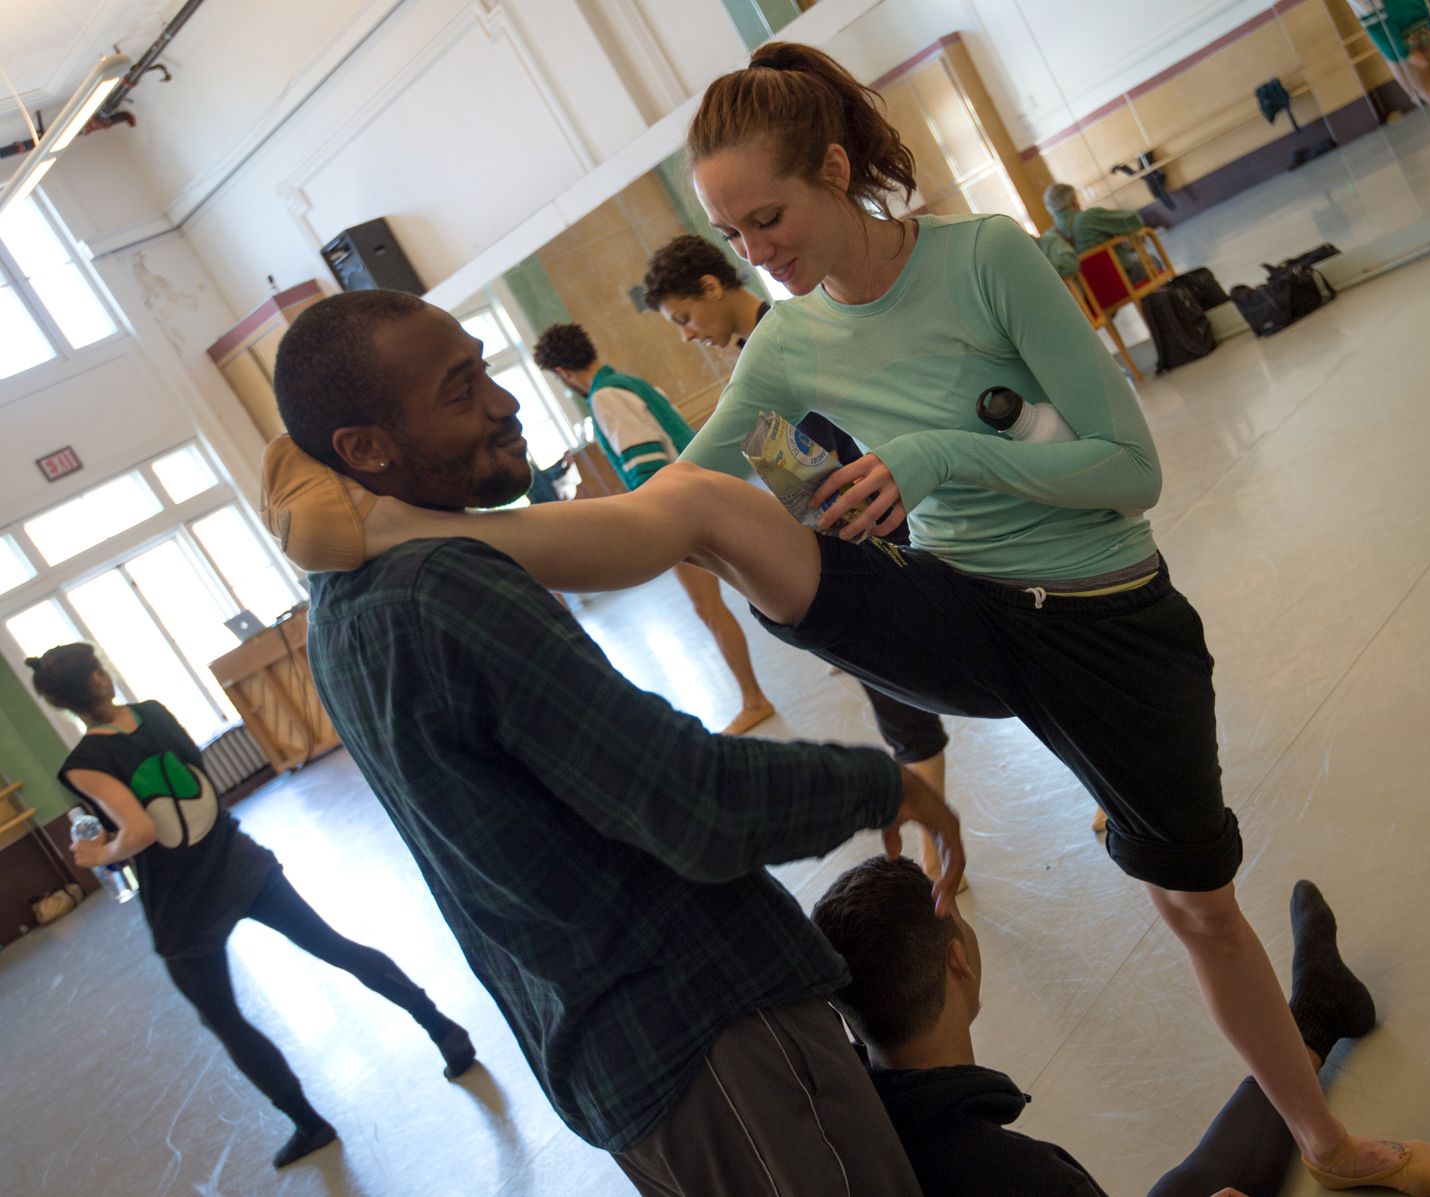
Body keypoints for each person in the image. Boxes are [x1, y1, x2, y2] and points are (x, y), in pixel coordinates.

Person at [257, 40, 1430, 1189]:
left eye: (767, 218)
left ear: (833, 171)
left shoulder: (988, 259)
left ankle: (1323, 1141)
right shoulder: (783, 343)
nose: (756, 255)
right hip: (957, 615)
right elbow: (660, 514)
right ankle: (1328, 1142)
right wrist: (400, 527)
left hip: (1107, 622)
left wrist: (938, 457)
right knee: (710, 502)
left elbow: (1127, 472)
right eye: (731, 235)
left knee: (1195, 905)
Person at [269, 287, 965, 1196]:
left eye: (485, 368)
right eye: (458, 389)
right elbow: (690, 800)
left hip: (615, 1056)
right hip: (705, 1026)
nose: (503, 401)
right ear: (363, 449)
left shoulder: (341, 606)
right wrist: (882, 785)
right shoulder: (446, 586)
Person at [28, 643, 476, 1170]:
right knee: (334, 946)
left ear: (64, 705)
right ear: (101, 678)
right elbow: (188, 783)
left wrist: (98, 851)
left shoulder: (84, 764)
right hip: (239, 861)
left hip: (184, 901)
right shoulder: (153, 711)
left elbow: (141, 829)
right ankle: (444, 1030)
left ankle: (309, 1124)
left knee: (223, 1017)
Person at [810, 858, 1430, 1197]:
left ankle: (1316, 1011)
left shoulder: (836, 1114)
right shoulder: (1014, 1176)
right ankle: (1315, 1010)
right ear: (958, 958)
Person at [642, 232, 958, 879]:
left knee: (962, 686)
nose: (684, 334)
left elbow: (839, 470)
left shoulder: (785, 343)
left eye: (683, 317)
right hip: (868, 546)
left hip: (901, 537)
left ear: (711, 285)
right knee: (905, 705)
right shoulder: (760, 360)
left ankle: (937, 857)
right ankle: (935, 853)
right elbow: (811, 487)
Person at [532, 321, 776, 736]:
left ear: (561, 373)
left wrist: (649, 525)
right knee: (760, 584)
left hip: (681, 512)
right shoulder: (629, 382)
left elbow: (646, 468)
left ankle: (754, 700)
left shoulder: (605, 398)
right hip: (705, 497)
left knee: (710, 608)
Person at [1349, 0, 1430, 159]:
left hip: (1399, 35)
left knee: (1426, 90)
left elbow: (1373, 20)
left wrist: (1402, 52)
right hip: (1420, 23)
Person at [1037, 182, 1154, 283]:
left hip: (1088, 297)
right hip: (1121, 279)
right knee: (1152, 260)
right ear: (1074, 200)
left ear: (1050, 209)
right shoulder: (1089, 217)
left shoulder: (1048, 238)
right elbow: (1134, 220)